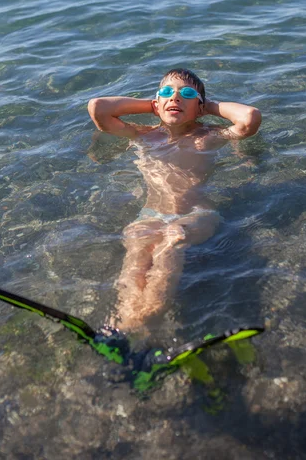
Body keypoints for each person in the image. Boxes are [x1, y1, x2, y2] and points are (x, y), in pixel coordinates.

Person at [88, 68, 261, 333]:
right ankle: (124, 323)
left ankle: (143, 319)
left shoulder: (208, 137)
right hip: (150, 214)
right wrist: (154, 106)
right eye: (168, 92)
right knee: (137, 237)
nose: (176, 98)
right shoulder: (143, 135)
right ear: (157, 103)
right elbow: (98, 108)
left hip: (196, 214)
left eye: (187, 94)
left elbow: (250, 118)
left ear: (200, 107)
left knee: (173, 234)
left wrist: (209, 107)